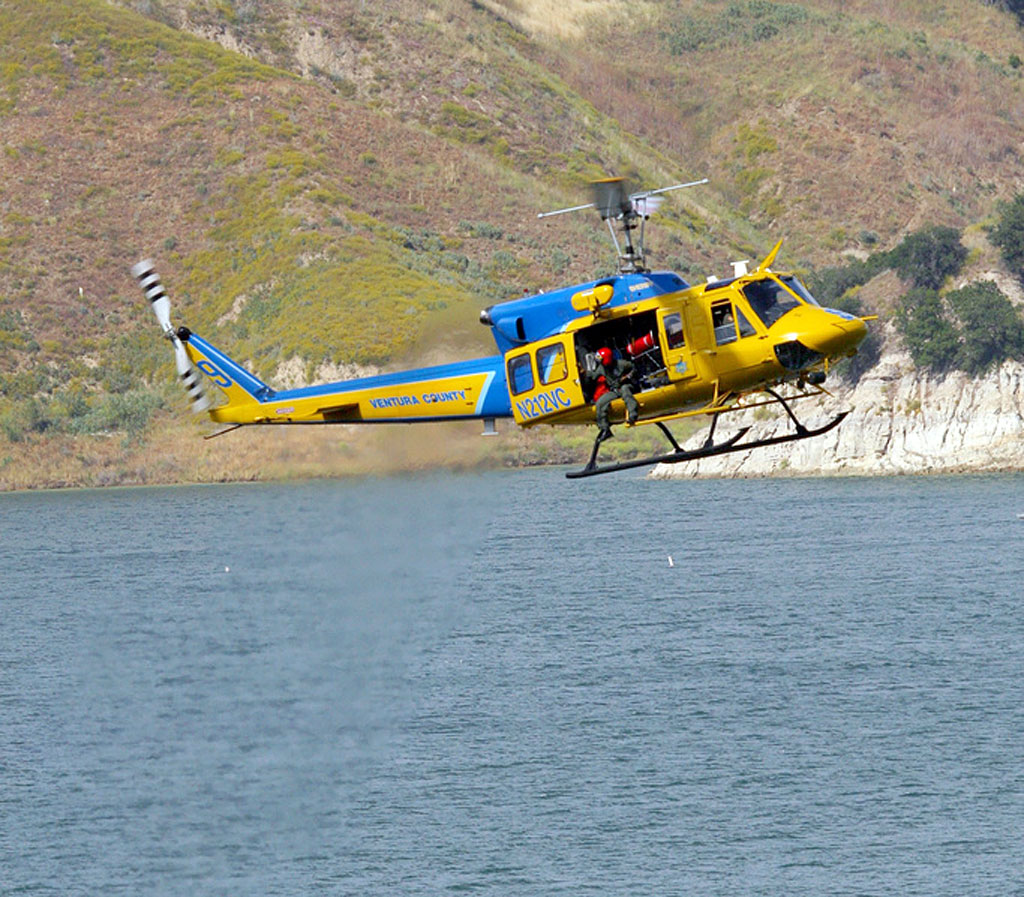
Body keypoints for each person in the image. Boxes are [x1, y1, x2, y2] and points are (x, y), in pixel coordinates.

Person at [586, 346, 639, 440]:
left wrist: (626, 377)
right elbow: (593, 376)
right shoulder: (602, 368)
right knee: (600, 403)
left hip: (626, 386)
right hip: (615, 391)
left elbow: (634, 368)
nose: (599, 361)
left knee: (625, 391)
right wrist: (584, 373)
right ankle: (605, 429)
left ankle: (633, 414)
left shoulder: (621, 364)